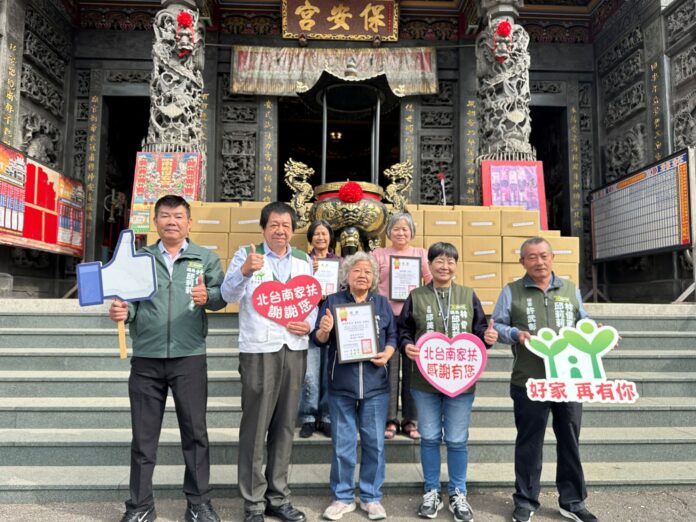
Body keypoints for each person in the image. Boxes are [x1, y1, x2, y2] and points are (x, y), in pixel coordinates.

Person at [108, 194, 225, 522]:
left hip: (189, 357)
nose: (171, 221)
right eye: (165, 216)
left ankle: (198, 503)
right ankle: (140, 505)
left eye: (178, 216)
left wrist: (208, 296)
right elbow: (131, 303)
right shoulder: (140, 258)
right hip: (147, 357)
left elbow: (221, 296)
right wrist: (123, 312)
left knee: (195, 434)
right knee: (143, 437)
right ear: (155, 221)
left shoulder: (205, 258)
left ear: (189, 222)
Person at [222, 201, 317, 522]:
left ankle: (278, 496)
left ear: (293, 230)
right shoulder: (246, 255)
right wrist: (245, 271)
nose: (280, 230)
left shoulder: (303, 259)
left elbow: (311, 301)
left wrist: (310, 324)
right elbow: (228, 295)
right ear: (263, 228)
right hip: (259, 349)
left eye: (286, 225)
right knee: (255, 426)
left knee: (285, 425)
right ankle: (253, 501)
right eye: (274, 224)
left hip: (295, 347)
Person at [492, 237, 597, 522]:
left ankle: (572, 501)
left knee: (570, 439)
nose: (539, 262)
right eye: (532, 257)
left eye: (543, 255)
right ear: (522, 262)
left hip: (568, 380)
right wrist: (515, 334)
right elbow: (496, 325)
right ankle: (525, 501)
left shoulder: (570, 290)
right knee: (529, 442)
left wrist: (596, 332)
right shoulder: (512, 291)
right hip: (529, 380)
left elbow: (584, 321)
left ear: (552, 257)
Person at [398, 242, 498, 522]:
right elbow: (403, 330)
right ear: (429, 265)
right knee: (429, 437)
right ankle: (431, 491)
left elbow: (480, 330)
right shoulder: (416, 296)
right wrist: (406, 345)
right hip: (424, 381)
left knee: (456, 439)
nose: (445, 266)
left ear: (456, 265)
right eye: (439, 261)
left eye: (450, 261)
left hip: (461, 381)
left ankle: (457, 492)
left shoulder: (468, 295)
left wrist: (488, 338)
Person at [311, 252, 396, 521]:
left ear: (374, 278)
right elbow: (318, 339)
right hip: (342, 384)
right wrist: (324, 329)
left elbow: (392, 335)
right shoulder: (333, 301)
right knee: (343, 444)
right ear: (346, 275)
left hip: (375, 385)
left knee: (374, 443)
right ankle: (343, 497)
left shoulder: (381, 303)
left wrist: (388, 353)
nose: (362, 275)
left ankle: (371, 497)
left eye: (368, 272)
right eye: (357, 270)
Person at [372, 212, 432, 440]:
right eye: (396, 228)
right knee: (387, 368)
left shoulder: (420, 254)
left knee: (412, 369)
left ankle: (410, 420)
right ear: (389, 232)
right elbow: (370, 282)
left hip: (412, 318)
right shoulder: (378, 254)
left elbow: (431, 281)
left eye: (405, 229)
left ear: (412, 232)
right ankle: (389, 419)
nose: (400, 233)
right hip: (385, 317)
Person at [298, 220, 342, 438]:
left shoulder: (340, 262)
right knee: (310, 374)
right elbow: (295, 289)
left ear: (330, 238)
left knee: (329, 373)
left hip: (334, 323)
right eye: (316, 234)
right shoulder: (302, 261)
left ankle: (326, 417)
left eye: (324, 234)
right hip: (309, 321)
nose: (320, 238)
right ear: (310, 238)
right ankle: (308, 416)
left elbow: (347, 289)